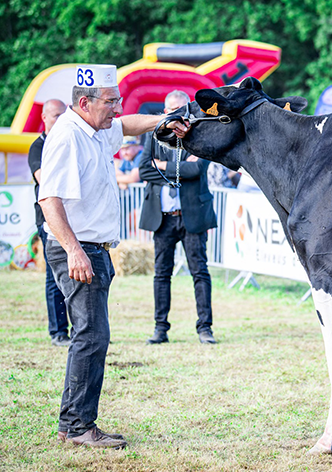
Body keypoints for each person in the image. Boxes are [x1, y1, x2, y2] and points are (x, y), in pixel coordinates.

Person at [38, 64, 189, 449]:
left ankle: (72, 423)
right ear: (84, 103)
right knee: (91, 336)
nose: (117, 108)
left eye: (118, 100)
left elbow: (129, 124)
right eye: (111, 102)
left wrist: (164, 119)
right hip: (79, 248)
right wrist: (74, 250)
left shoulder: (95, 128)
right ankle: (78, 426)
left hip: (92, 248)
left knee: (90, 335)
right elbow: (48, 200)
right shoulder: (68, 136)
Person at [139, 90, 218, 345]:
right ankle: (160, 329)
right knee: (161, 275)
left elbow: (197, 169)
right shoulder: (154, 135)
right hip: (163, 217)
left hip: (192, 215)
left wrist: (161, 166)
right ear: (165, 112)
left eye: (183, 108)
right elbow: (143, 169)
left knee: (200, 272)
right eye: (173, 109)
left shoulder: (200, 135)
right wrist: (178, 169)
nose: (178, 113)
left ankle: (205, 328)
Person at [28, 98, 71, 347]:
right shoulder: (38, 146)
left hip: (73, 216)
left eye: (64, 115)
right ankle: (58, 331)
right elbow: (44, 179)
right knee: (54, 275)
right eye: (56, 116)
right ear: (44, 118)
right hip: (49, 218)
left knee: (76, 274)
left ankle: (80, 329)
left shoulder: (68, 141)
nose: (61, 120)